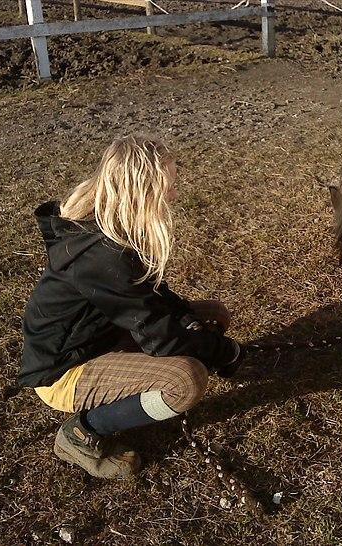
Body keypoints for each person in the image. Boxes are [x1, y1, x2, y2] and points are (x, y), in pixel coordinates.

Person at [18, 135, 242, 479]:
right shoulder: (101, 256)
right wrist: (218, 351)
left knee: (214, 313)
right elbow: (160, 337)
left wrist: (194, 324)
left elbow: (149, 296)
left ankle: (144, 385)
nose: (175, 194)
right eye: (168, 185)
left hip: (102, 337)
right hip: (65, 371)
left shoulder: (111, 227)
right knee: (186, 380)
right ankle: (83, 431)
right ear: (143, 190)